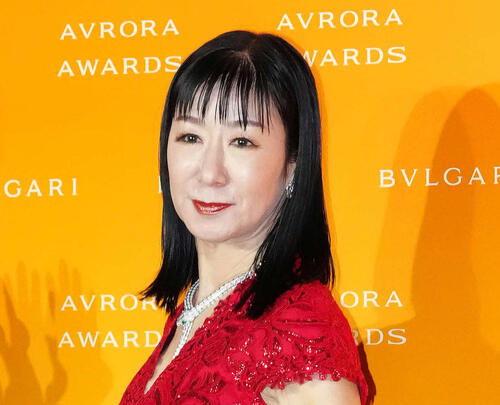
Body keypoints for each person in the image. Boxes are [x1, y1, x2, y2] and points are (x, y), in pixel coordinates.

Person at [119, 30, 369, 405]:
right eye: (190, 137)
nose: (209, 173)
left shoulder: (299, 334)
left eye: (242, 142)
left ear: (293, 165)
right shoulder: (194, 312)